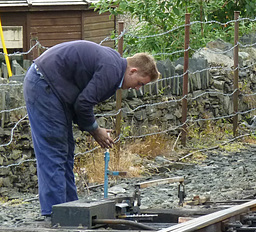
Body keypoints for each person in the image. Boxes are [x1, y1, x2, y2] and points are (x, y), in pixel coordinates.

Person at [23, 40, 159, 218]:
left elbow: (82, 100)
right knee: (54, 150)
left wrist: (91, 127)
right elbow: (84, 103)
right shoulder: (112, 70)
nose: (137, 89)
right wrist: (96, 130)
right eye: (140, 83)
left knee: (65, 151)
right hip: (44, 85)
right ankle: (55, 212)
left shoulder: (114, 66)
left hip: (53, 88)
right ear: (133, 71)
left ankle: (69, 208)